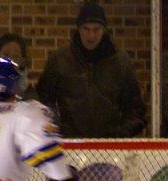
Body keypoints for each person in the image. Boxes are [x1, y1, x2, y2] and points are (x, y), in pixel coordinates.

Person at [36, 1, 146, 138]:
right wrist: (56, 125)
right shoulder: (60, 60)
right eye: (86, 29)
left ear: (104, 30)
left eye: (96, 29)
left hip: (109, 143)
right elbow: (43, 99)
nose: (91, 36)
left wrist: (121, 134)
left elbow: (135, 109)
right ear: (79, 29)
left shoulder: (120, 62)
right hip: (70, 142)